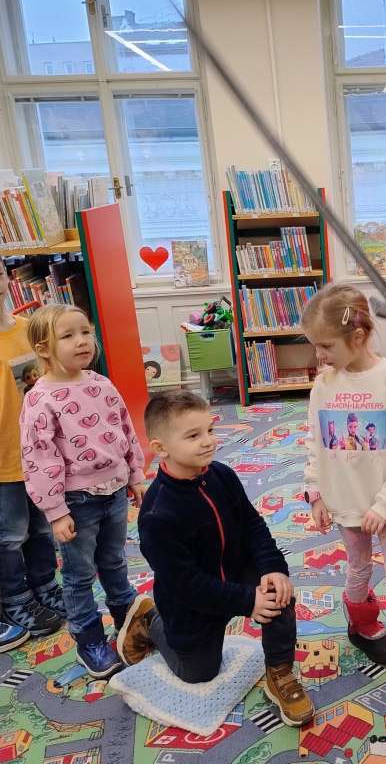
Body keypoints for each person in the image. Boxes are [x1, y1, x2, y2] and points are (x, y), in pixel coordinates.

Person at [116, 390, 314, 727]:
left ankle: (280, 672)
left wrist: (272, 568)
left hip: (234, 571)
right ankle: (150, 620)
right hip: (190, 600)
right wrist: (246, 601)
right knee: (198, 672)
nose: (208, 441)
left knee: (278, 593)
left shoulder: (222, 475)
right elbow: (185, 584)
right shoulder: (157, 514)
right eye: (193, 435)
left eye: (209, 429)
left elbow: (252, 524)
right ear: (161, 448)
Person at [301, 283, 386, 724]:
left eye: (326, 345)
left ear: (358, 336)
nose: (319, 355)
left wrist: (385, 504)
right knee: (358, 568)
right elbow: (315, 443)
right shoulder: (322, 386)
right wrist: (316, 493)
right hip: (345, 501)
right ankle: (361, 625)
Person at [20, 303, 145, 678]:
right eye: (68, 335)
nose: (82, 341)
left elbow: (124, 428)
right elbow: (39, 458)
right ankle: (89, 640)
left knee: (115, 561)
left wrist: (135, 474)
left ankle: (127, 624)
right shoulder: (40, 399)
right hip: (76, 502)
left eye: (86, 332)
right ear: (44, 349)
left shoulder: (101, 383)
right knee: (79, 575)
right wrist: (56, 512)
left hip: (115, 491)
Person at [0, 263, 63, 648]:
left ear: (7, 278)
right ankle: (15, 598)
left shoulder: (28, 332)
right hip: (3, 460)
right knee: (10, 535)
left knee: (41, 527)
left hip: (37, 455)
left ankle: (44, 586)